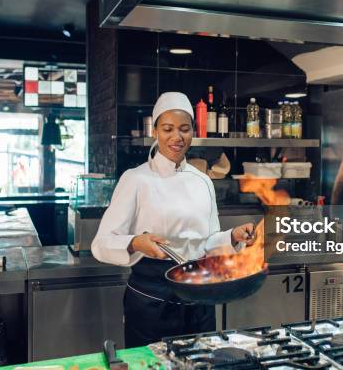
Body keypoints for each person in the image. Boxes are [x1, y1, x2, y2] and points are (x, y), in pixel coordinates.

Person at [91, 91, 257, 348]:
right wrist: (136, 242)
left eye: (185, 129)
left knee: (201, 363)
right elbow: (101, 243)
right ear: (155, 130)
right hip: (152, 300)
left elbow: (208, 241)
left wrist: (232, 236)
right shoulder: (135, 179)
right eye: (168, 129)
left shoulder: (202, 180)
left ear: (193, 132)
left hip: (199, 297)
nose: (177, 137)